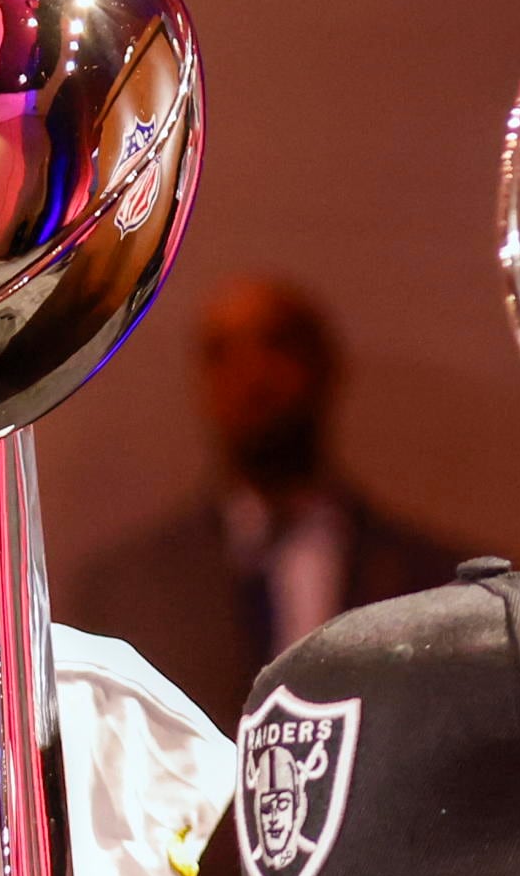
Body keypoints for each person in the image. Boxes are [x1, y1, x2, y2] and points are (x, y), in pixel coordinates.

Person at [64, 277, 466, 731]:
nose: (253, 376)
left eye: (277, 344)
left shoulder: (438, 587)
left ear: (326, 366)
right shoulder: (124, 596)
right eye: (222, 352)